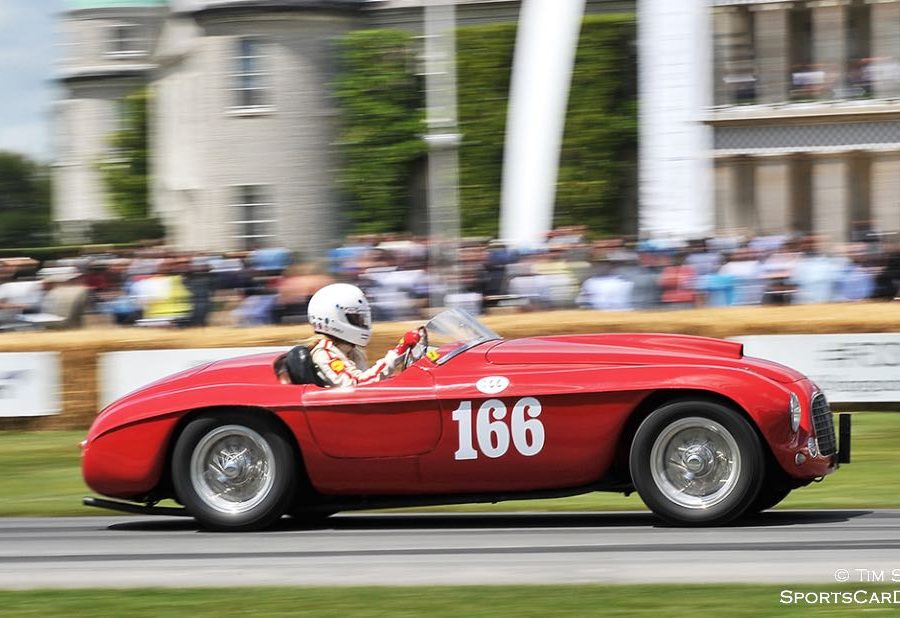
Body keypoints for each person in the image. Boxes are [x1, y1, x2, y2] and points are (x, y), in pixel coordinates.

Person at [307, 283, 421, 387]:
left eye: (362, 319)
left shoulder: (351, 351)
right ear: (331, 318)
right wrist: (398, 351)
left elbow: (369, 380)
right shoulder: (324, 353)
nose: (361, 323)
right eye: (356, 318)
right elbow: (357, 385)